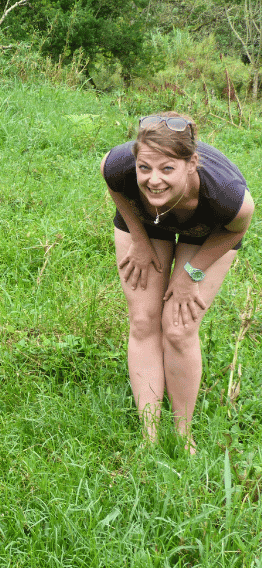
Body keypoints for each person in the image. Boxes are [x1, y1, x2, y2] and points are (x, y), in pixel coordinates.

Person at [100, 112, 255, 453]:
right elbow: (110, 177)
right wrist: (139, 239)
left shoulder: (227, 197)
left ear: (191, 164)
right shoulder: (119, 165)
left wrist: (191, 277)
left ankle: (183, 433)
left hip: (209, 231)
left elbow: (237, 229)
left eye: (167, 168)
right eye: (145, 168)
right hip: (147, 220)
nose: (154, 180)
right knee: (143, 320)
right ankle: (149, 435)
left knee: (178, 326)